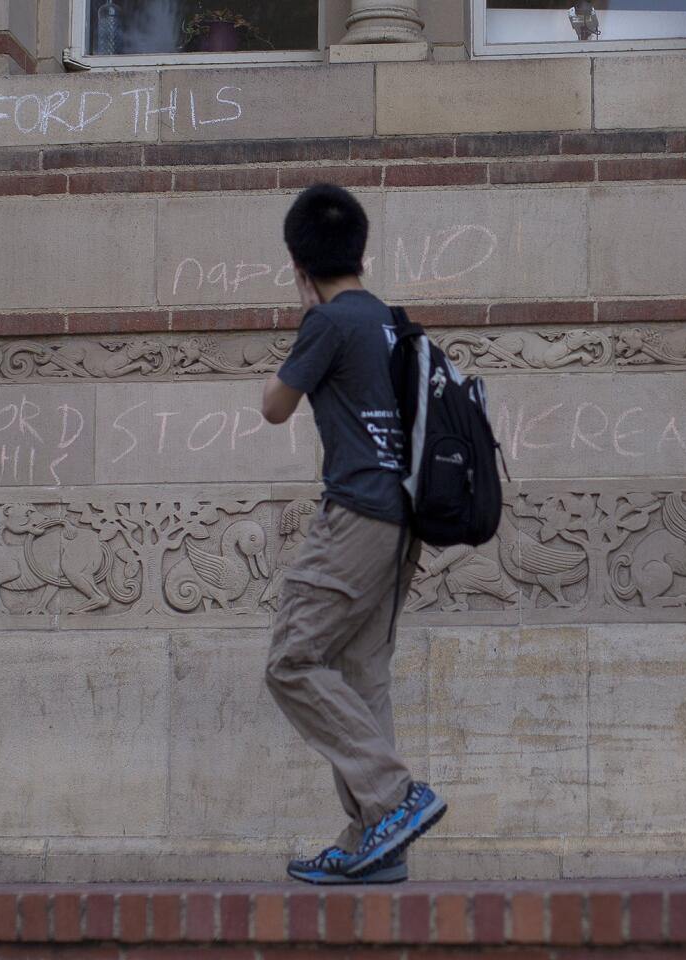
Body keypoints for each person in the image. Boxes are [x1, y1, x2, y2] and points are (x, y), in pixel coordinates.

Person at [261, 184, 447, 885]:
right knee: (361, 676)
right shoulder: (396, 323)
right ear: (360, 250)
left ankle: (396, 799)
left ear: (298, 261)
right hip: (403, 523)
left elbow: (273, 407)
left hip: (356, 516)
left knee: (292, 661)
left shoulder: (329, 323)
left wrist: (307, 317)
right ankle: (376, 843)